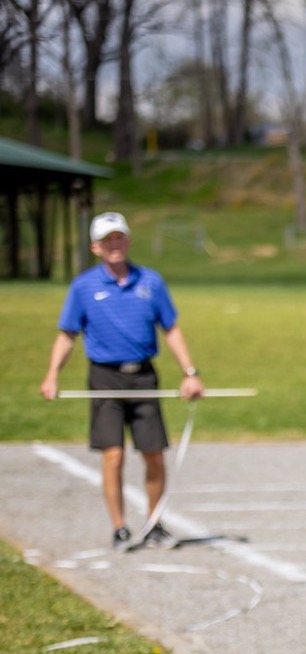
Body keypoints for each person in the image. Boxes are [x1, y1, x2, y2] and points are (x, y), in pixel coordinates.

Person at [40, 212, 205, 548]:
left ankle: (154, 523)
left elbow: (170, 328)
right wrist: (52, 374)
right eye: (107, 240)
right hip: (104, 377)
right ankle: (119, 527)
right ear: (96, 247)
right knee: (112, 454)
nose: (115, 245)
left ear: (128, 241)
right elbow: (67, 334)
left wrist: (190, 373)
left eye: (119, 238)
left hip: (143, 375)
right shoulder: (83, 286)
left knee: (153, 452)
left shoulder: (150, 282)